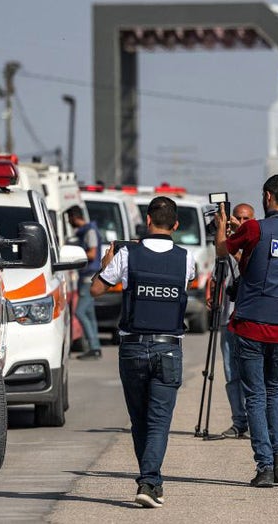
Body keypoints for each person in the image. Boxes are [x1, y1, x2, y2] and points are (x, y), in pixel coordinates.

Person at [90, 196, 196, 508]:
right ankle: (149, 482)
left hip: (133, 347)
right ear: (175, 226)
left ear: (147, 220)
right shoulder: (186, 258)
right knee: (159, 421)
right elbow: (192, 280)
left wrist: (107, 266)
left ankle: (151, 482)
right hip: (168, 349)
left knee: (140, 421)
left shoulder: (128, 255)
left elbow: (96, 289)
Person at [214, 174, 278, 488]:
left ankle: (265, 466)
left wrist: (222, 224)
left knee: (254, 397)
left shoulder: (254, 228)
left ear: (267, 197)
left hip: (252, 322)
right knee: (275, 391)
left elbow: (222, 251)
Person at [212, 203, 254, 440]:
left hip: (247, 320)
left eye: (245, 218)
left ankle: (254, 420)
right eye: (235, 217)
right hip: (226, 317)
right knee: (231, 372)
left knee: (250, 373)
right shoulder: (222, 245)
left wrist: (231, 244)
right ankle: (238, 421)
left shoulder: (254, 242)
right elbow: (217, 272)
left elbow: (246, 267)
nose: (239, 222)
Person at [68, 207, 104, 360]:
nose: (69, 223)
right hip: (88, 276)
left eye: (69, 219)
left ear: (74, 217)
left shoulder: (89, 231)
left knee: (80, 312)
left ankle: (94, 348)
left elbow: (92, 253)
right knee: (89, 314)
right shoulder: (85, 231)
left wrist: (76, 253)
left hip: (88, 277)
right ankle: (95, 347)